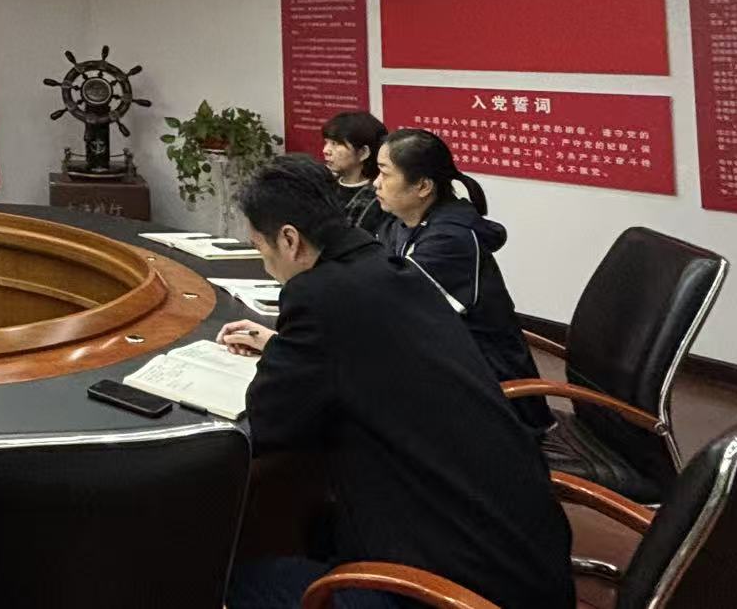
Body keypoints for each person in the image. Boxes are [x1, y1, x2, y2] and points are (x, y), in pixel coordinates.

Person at [215, 155, 570, 609]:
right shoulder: (390, 267)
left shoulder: (317, 297)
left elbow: (271, 424)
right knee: (316, 526)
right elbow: (369, 353)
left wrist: (293, 354)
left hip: (451, 590)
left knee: (232, 580)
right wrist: (284, 347)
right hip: (525, 560)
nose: (265, 263)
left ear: (289, 239)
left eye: (259, 248)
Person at [373, 128, 552, 431]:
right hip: (448, 362)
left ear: (423, 186)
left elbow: (390, 300)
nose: (376, 183)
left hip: (493, 395)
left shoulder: (451, 239)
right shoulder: (403, 223)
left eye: (384, 173)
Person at [319, 110, 387, 231]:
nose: (326, 150)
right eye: (326, 143)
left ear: (363, 152)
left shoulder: (379, 199)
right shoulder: (322, 185)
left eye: (335, 144)